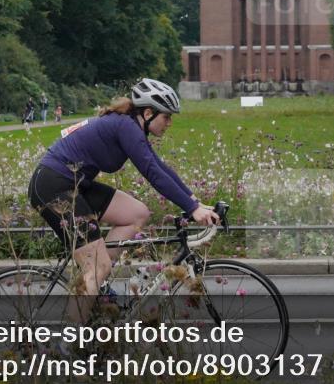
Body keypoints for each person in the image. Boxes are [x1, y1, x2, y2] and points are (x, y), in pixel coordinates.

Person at [27, 78, 220, 311]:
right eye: (167, 116)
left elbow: (160, 167)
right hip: (54, 186)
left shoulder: (130, 126)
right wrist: (192, 210)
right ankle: (69, 343)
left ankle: (98, 283)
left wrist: (194, 202)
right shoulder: (125, 127)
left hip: (76, 184)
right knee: (96, 268)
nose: (169, 123)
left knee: (136, 213)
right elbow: (152, 173)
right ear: (148, 113)